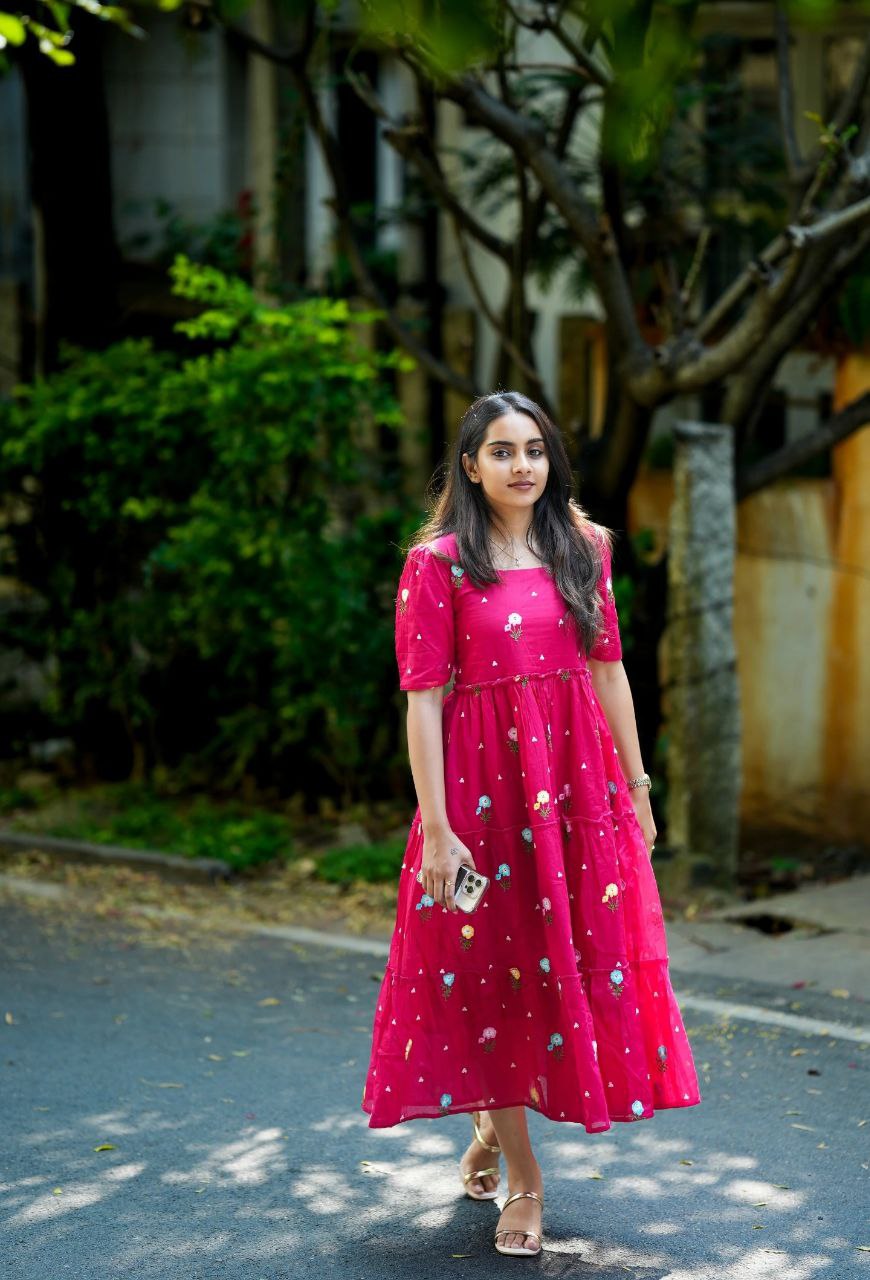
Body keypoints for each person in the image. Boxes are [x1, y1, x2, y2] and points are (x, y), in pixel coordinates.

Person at [362, 391, 701, 1257]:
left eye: (536, 450)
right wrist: (438, 829)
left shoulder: (585, 549)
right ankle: (525, 1179)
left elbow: (611, 671)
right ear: (469, 466)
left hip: (576, 790)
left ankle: (488, 1133)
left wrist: (638, 787)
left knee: (571, 970)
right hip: (482, 800)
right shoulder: (437, 565)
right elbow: (424, 703)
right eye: (503, 451)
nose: (523, 466)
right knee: (495, 978)